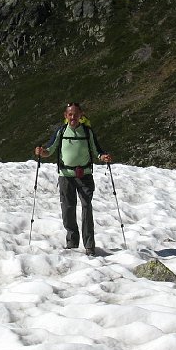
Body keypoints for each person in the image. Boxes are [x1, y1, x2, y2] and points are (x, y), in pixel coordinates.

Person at [35, 102, 113, 256]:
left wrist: (103, 157)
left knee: (86, 207)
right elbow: (49, 150)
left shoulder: (87, 132)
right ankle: (72, 242)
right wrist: (41, 152)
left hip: (85, 176)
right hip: (66, 177)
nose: (73, 117)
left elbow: (97, 151)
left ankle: (89, 245)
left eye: (76, 114)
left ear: (81, 115)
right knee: (68, 209)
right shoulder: (61, 131)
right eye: (70, 114)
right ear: (65, 116)